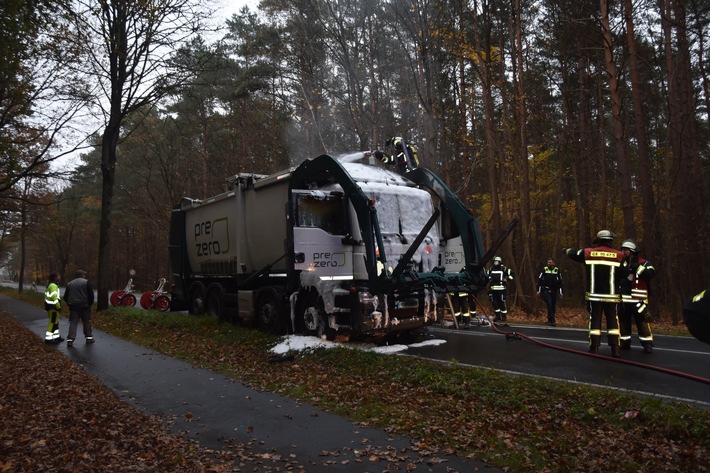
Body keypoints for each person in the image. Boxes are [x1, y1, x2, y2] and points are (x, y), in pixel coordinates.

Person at [563, 230, 624, 357]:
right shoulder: (620, 255)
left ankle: (594, 347)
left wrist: (565, 250)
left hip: (594, 296)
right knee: (613, 321)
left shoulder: (588, 253)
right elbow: (625, 273)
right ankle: (615, 349)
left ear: (598, 240)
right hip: (612, 297)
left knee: (595, 320)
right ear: (610, 241)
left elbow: (574, 253)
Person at [618, 239, 655, 353]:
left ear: (632, 251)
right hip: (624, 299)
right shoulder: (621, 263)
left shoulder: (643, 263)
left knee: (642, 322)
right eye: (622, 250)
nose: (623, 252)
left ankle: (647, 344)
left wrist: (637, 268)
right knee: (623, 322)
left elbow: (651, 273)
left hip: (638, 300)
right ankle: (624, 343)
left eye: (626, 250)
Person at [64, 269, 95, 347]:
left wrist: (69, 304)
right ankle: (89, 338)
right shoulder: (86, 282)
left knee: (73, 323)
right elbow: (91, 295)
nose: (84, 276)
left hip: (74, 307)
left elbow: (65, 296)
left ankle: (70, 339)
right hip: (84, 306)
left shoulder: (70, 284)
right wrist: (89, 304)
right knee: (86, 322)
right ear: (81, 275)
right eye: (84, 275)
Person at [537, 257, 563, 326]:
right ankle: (552, 320)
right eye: (548, 262)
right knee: (549, 303)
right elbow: (539, 280)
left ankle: (550, 319)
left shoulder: (557, 270)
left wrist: (561, 292)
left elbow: (560, 282)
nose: (549, 264)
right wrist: (539, 290)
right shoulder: (544, 269)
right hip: (546, 289)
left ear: (554, 263)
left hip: (554, 290)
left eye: (550, 262)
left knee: (553, 305)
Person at [487, 256, 513, 322]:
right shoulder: (491, 269)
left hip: (501, 289)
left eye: (497, 262)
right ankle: (498, 316)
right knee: (494, 303)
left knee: (502, 302)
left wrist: (507, 279)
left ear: (499, 262)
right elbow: (487, 276)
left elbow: (512, 274)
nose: (495, 263)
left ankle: (504, 316)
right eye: (494, 261)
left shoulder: (504, 269)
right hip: (493, 289)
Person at [44, 272, 64, 344]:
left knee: (55, 323)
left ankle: (57, 337)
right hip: (53, 308)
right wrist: (58, 306)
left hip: (50, 307)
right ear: (55, 277)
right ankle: (48, 339)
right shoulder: (53, 286)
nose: (59, 277)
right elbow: (53, 297)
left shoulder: (50, 285)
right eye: (58, 276)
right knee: (52, 323)